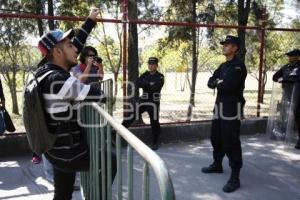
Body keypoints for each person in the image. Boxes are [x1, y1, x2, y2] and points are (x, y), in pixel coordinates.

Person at [35, 8, 116, 200]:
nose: (76, 49)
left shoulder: (43, 71)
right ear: (58, 51)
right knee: (110, 160)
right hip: (69, 154)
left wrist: (89, 21)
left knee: (62, 194)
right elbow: (98, 95)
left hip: (55, 150)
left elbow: (76, 46)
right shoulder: (59, 81)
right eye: (70, 45)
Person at [202, 35, 247, 193]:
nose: (224, 47)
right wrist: (217, 82)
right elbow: (210, 81)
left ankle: (235, 176)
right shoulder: (223, 66)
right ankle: (217, 164)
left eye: (227, 45)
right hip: (219, 107)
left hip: (231, 108)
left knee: (231, 141)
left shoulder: (238, 67)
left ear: (235, 48)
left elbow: (228, 86)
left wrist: (218, 83)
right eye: (224, 44)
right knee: (216, 137)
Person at [122, 57, 164, 150]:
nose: (151, 66)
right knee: (131, 115)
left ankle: (155, 141)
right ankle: (119, 133)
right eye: (149, 64)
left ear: (156, 65)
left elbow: (156, 87)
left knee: (154, 122)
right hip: (144, 100)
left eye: (153, 64)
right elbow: (138, 83)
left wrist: (145, 83)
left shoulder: (160, 76)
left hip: (154, 102)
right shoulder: (145, 74)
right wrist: (149, 83)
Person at [273, 49, 300, 149]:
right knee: (288, 117)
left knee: (298, 118)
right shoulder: (286, 67)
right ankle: (284, 134)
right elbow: (275, 77)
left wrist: (285, 79)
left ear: (297, 56)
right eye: (288, 56)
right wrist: (283, 79)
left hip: (298, 97)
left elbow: (297, 79)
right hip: (288, 96)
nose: (289, 58)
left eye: (291, 56)